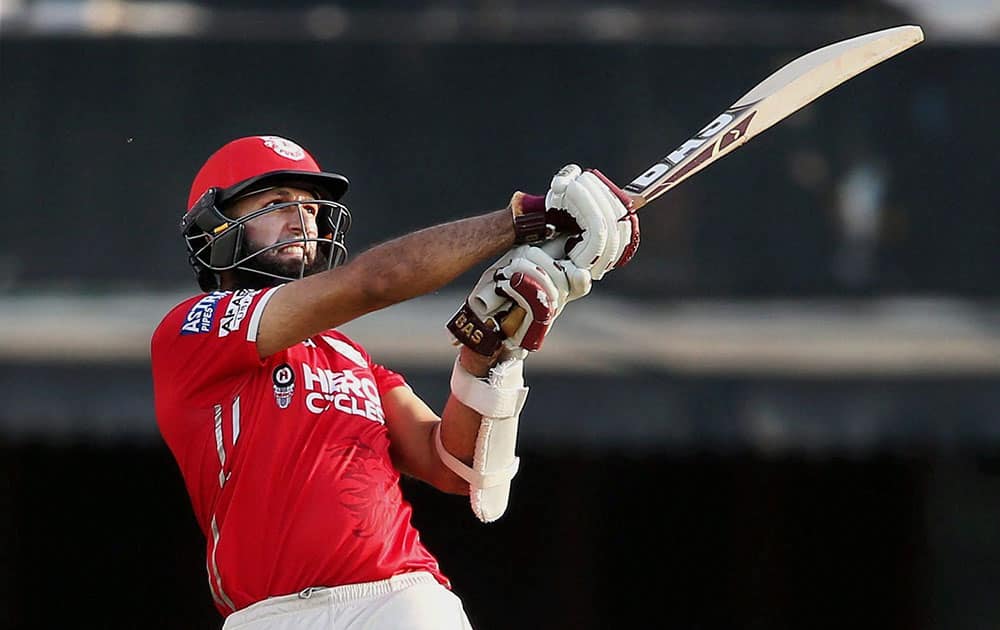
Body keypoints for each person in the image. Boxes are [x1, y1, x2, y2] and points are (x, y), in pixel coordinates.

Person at [151, 134, 639, 630]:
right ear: (217, 228)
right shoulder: (192, 329)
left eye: (311, 207)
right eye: (276, 203)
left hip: (393, 605)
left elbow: (450, 464)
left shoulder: (350, 358)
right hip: (264, 618)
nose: (302, 218)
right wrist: (523, 219)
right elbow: (374, 282)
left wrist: (489, 356)